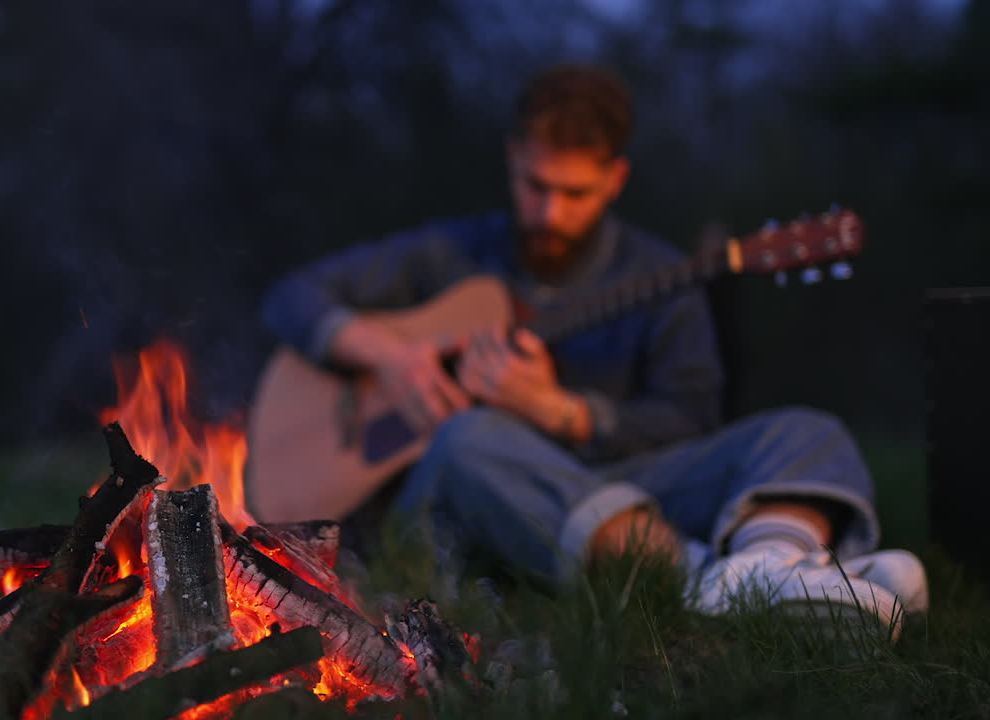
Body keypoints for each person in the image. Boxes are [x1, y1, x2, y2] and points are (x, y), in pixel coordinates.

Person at [259, 64, 927, 636]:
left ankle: (771, 564)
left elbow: (692, 421)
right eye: (535, 186)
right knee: (469, 437)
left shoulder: (665, 278)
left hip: (621, 488)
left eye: (573, 193)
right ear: (511, 160)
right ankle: (715, 581)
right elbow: (292, 295)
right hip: (456, 501)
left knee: (808, 431)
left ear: (615, 178)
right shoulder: (452, 253)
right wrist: (389, 357)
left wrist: (562, 414)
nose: (550, 213)